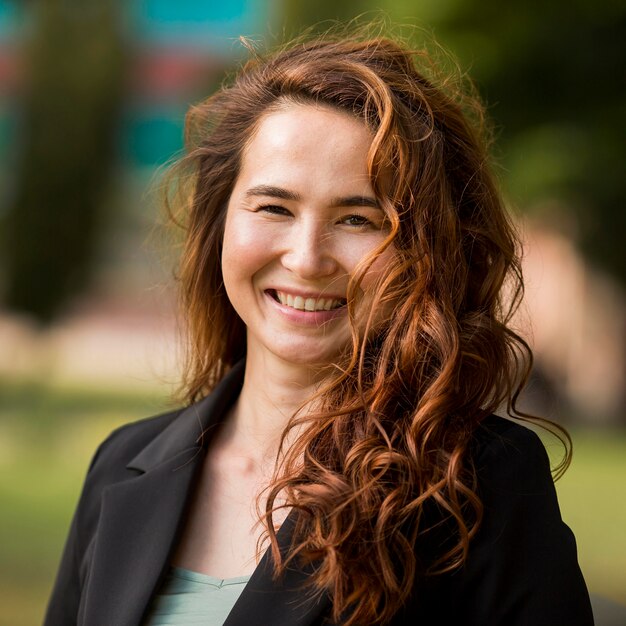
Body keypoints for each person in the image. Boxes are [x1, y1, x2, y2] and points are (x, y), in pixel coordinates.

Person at [44, 28, 594, 626]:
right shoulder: (122, 463)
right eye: (274, 207)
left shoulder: (480, 485)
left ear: (425, 252)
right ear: (220, 223)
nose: (307, 258)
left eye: (358, 218)